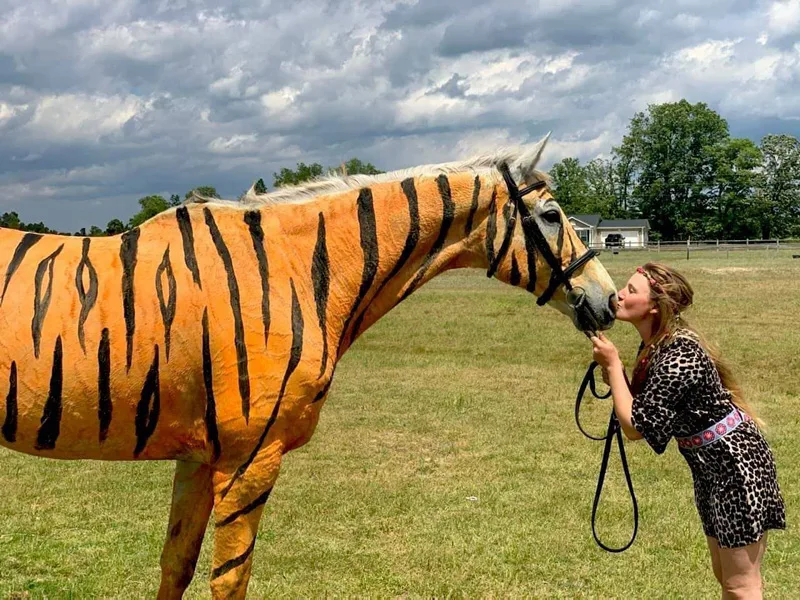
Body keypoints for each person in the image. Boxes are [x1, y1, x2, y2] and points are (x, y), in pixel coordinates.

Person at [590, 263, 785, 600]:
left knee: (741, 585)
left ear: (655, 305)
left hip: (737, 469)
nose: (620, 294)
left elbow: (637, 427)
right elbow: (643, 408)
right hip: (712, 469)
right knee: (726, 576)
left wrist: (612, 366)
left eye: (631, 290)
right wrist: (618, 375)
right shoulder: (656, 345)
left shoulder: (680, 353)